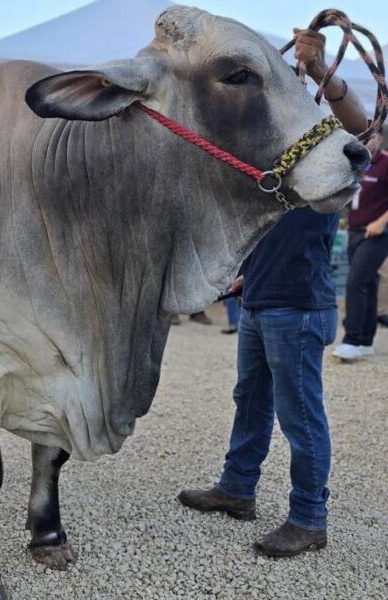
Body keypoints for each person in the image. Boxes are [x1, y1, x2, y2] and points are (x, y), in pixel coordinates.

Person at [178, 28, 369, 557]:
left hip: (297, 308)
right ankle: (238, 489)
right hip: (263, 301)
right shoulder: (275, 166)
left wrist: (323, 70)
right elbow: (265, 232)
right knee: (251, 401)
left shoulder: (332, 155)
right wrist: (244, 277)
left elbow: (360, 124)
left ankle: (309, 518)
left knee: (300, 415)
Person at [333, 127, 388, 360]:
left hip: (375, 232)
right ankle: (365, 339)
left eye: (373, 137)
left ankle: (352, 339)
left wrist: (382, 221)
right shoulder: (355, 163)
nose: (369, 141)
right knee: (368, 282)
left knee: (355, 281)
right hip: (354, 231)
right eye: (365, 137)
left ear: (381, 139)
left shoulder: (385, 163)